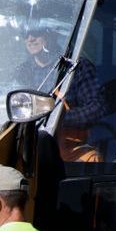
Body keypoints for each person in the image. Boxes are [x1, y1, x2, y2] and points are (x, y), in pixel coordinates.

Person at [17, 28, 106, 162]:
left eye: (36, 33)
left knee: (92, 160)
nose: (30, 39)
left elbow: (96, 107)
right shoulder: (21, 72)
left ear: (50, 34)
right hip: (27, 151)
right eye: (26, 35)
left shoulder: (76, 68)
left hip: (70, 154)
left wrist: (58, 118)